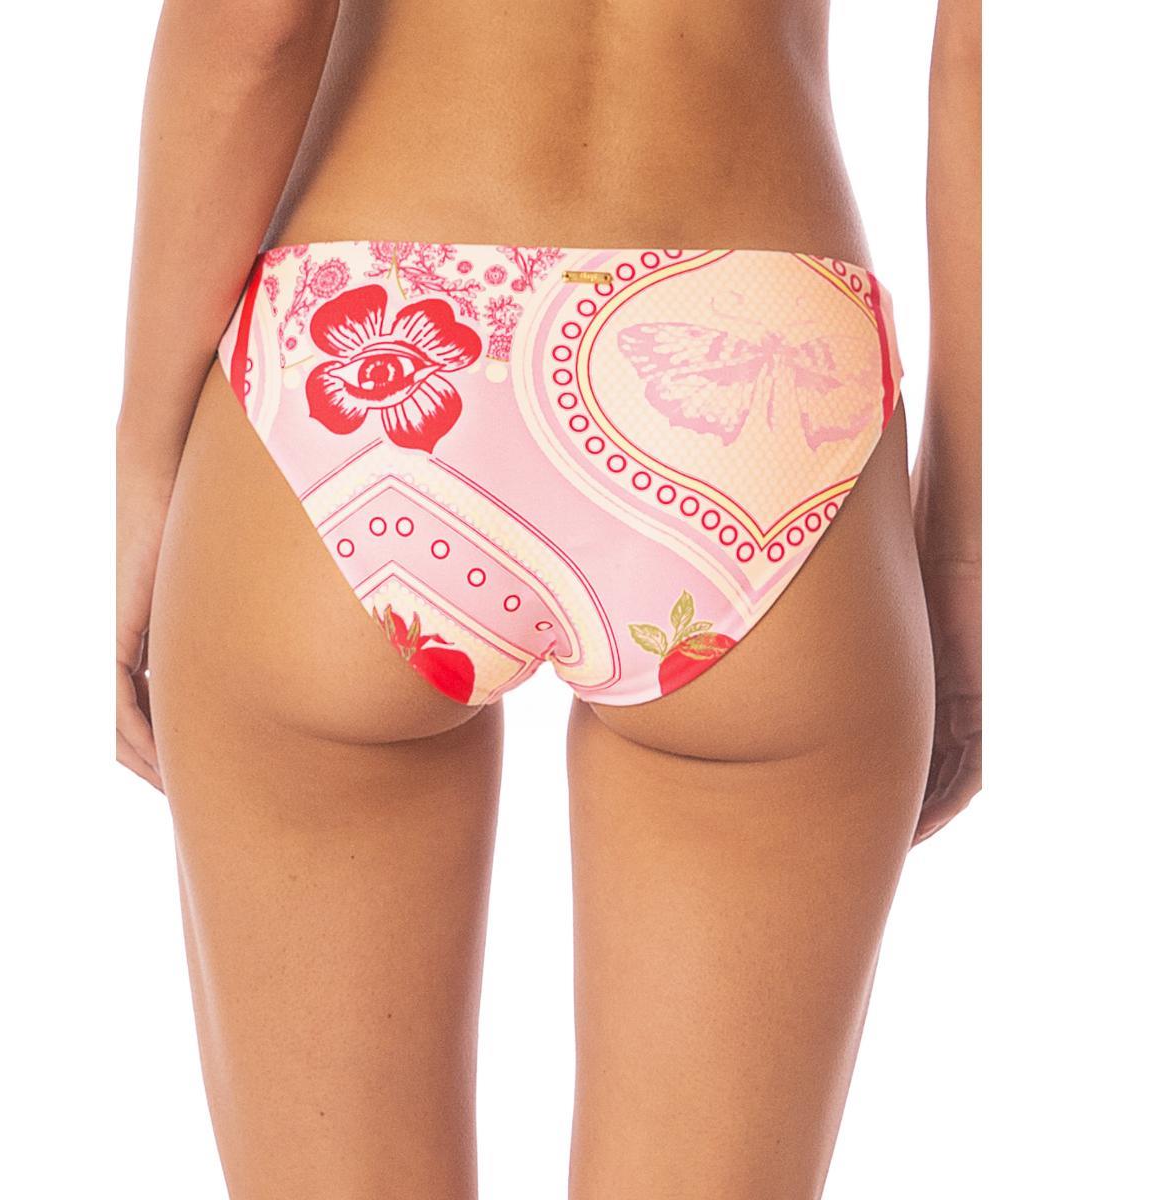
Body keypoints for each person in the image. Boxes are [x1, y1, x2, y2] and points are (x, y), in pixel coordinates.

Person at [115, 0, 981, 1195]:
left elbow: (252, 29)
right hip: (758, 368)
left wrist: (145, 458)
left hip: (367, 345)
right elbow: (996, 61)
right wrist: (965, 551)